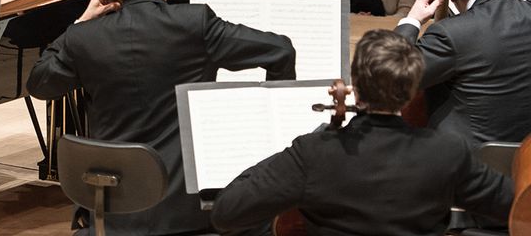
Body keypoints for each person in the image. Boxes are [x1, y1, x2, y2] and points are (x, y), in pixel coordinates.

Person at [28, 0, 296, 235]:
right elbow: (281, 51)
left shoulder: (84, 38)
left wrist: (80, 22)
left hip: (112, 213)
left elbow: (40, 82)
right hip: (188, 216)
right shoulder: (195, 24)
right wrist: (271, 129)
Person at [212, 29, 513, 235]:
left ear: (354, 83)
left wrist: (292, 152)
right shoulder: (447, 153)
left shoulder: (314, 153)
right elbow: (514, 205)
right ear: (411, 92)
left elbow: (227, 212)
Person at [397, 0, 531, 147]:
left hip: (464, 166)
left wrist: (412, 19)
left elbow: (391, 78)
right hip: (524, 165)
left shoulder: (451, 34)